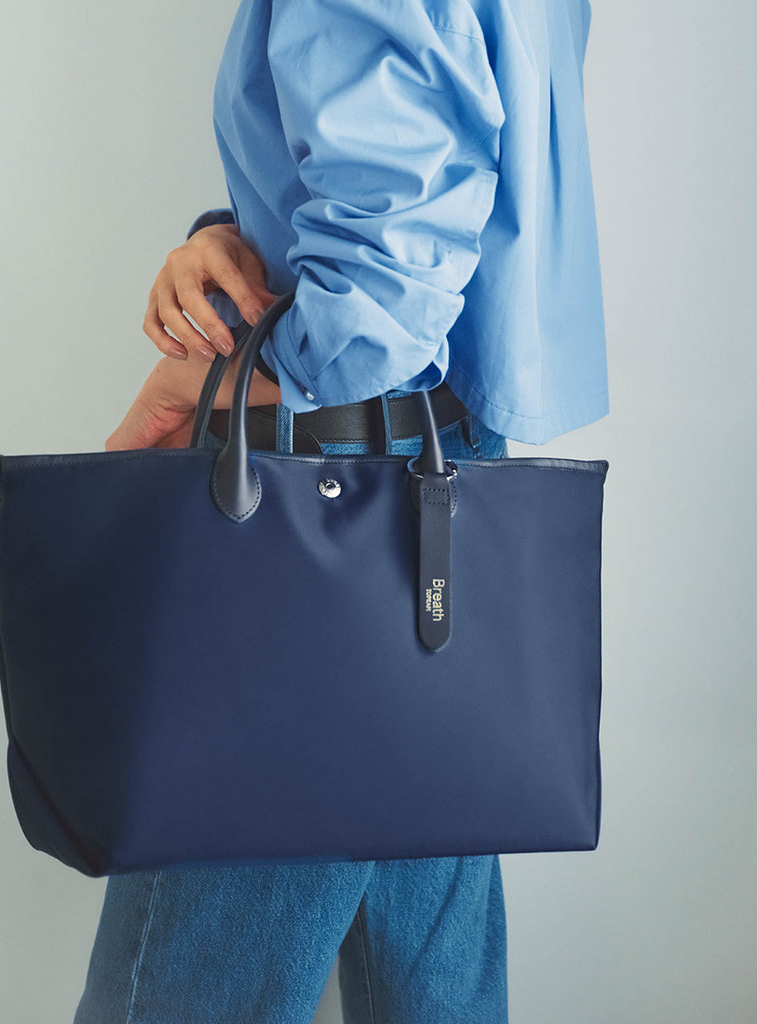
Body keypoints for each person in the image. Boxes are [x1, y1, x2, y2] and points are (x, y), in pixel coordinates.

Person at [74, 0, 608, 1021]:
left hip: (326, 468)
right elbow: (438, 161)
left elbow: (386, 280)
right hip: (443, 473)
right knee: (431, 983)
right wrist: (231, 243)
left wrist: (216, 381)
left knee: (186, 987)